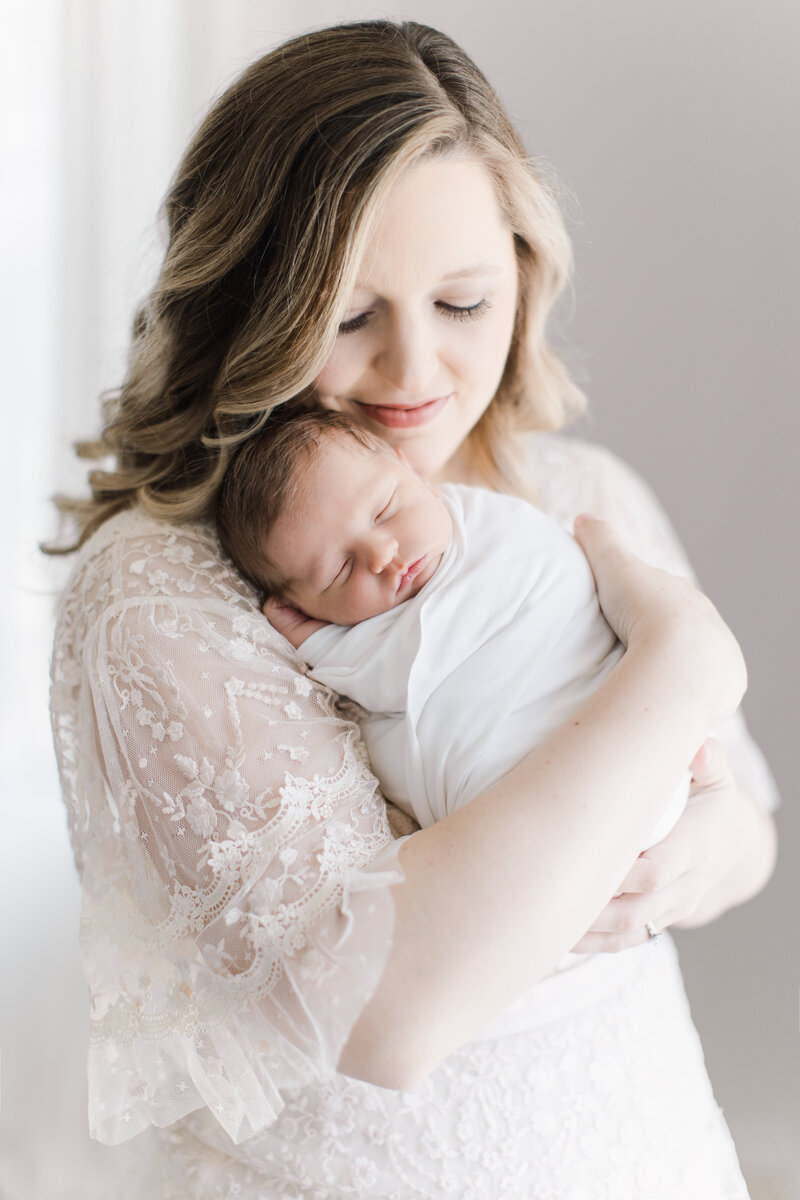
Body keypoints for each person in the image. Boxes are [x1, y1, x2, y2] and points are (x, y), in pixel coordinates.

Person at [46, 19, 778, 1199]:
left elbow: (749, 821)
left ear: (521, 281)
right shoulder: (158, 590)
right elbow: (385, 1009)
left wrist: (684, 860)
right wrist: (680, 660)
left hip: (652, 1149)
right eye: (348, 317)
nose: (413, 373)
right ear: (250, 311)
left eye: (461, 303)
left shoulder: (580, 496)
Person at [215, 409, 691, 848]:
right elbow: (388, 682)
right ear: (303, 605)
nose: (382, 555)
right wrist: (316, 642)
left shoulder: (497, 526)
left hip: (612, 730)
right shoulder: (364, 640)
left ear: (415, 473)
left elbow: (561, 577)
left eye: (384, 510)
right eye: (340, 570)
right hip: (517, 812)